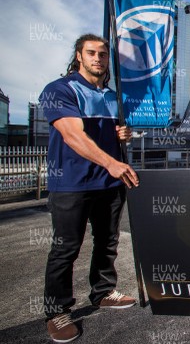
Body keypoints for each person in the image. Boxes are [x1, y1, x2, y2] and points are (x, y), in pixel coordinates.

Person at [40, 34, 140, 343]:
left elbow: (114, 135)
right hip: (71, 183)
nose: (98, 58)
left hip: (109, 184)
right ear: (79, 56)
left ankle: (103, 291)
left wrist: (125, 135)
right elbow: (73, 136)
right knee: (66, 248)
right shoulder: (59, 90)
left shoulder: (113, 97)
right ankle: (57, 311)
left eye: (102, 54)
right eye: (91, 53)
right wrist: (111, 162)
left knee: (107, 241)